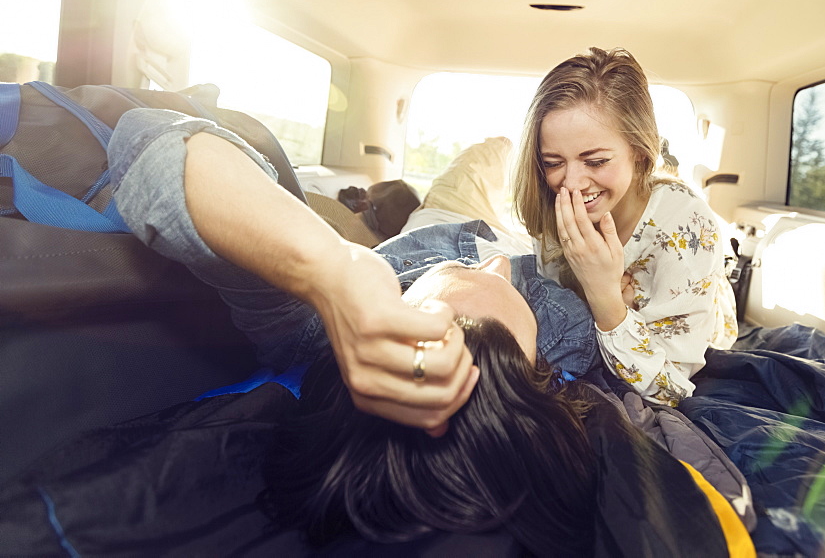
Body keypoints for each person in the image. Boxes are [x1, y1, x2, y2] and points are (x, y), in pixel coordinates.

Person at [101, 107, 743, 554]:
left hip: (438, 216)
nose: (494, 263)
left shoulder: (328, 317)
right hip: (534, 240)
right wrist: (603, 291)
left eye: (467, 277)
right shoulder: (570, 343)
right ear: (539, 368)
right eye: (506, 290)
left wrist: (331, 269)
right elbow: (671, 360)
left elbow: (148, 139)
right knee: (507, 163)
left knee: (486, 161)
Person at [512, 47, 739, 406]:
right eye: (554, 162)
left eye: (596, 161)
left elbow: (671, 389)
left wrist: (604, 296)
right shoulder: (552, 201)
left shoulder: (685, 227)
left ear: (638, 149)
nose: (571, 183)